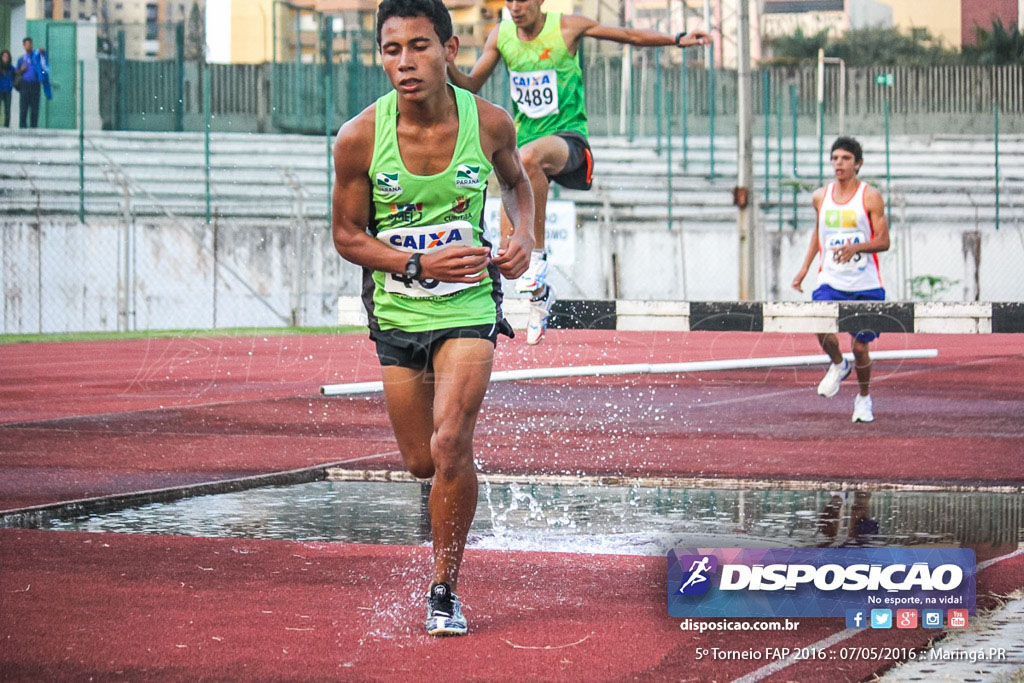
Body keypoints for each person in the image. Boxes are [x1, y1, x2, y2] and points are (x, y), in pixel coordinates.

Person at [331, 0, 534, 636]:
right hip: (397, 307)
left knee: (451, 442)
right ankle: (457, 479)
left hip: (469, 304)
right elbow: (345, 234)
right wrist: (417, 267)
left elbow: (516, 185)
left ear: (450, 50)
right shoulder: (360, 136)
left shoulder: (491, 123)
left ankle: (443, 587)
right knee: (422, 461)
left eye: (419, 47)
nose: (405, 62)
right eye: (392, 50)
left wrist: (523, 234)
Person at [447, 0, 710, 344]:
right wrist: (447, 62)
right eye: (509, 0)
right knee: (507, 236)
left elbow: (629, 35)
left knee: (527, 159)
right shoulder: (501, 36)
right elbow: (469, 87)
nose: (515, 6)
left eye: (522, 0)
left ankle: (538, 259)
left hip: (567, 141)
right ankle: (539, 295)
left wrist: (677, 39)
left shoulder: (568, 27)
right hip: (525, 151)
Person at [792, 136, 890, 423]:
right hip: (831, 280)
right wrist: (804, 269)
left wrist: (855, 248)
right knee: (819, 323)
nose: (839, 163)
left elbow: (884, 241)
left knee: (861, 347)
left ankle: (863, 398)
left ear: (857, 164)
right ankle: (838, 363)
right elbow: (817, 233)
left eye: (846, 158)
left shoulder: (869, 196)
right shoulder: (820, 197)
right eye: (835, 158)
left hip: (865, 284)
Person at [16, 37, 50, 129]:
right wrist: (21, 70)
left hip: (35, 84)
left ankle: (34, 128)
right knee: (24, 107)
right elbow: (17, 72)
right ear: (23, 46)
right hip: (25, 84)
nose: (28, 46)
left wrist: (43, 52)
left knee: (35, 108)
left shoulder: (37, 56)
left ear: (32, 45)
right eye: (26, 44)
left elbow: (44, 68)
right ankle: (22, 127)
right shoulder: (21, 59)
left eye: (30, 44)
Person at [0, 50, 14, 128]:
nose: (5, 58)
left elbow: (17, 74)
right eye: (4, 56)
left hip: (8, 90)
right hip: (0, 89)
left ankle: (6, 125)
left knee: (7, 109)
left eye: (7, 56)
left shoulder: (11, 68)